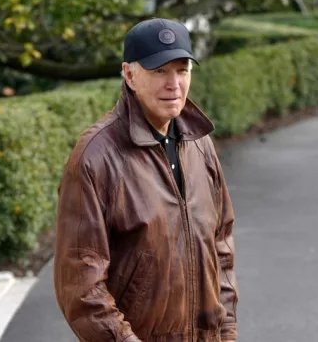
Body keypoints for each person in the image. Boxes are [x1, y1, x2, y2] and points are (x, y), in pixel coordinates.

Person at [53, 17, 239, 342]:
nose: (174, 84)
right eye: (159, 71)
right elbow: (80, 282)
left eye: (182, 70)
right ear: (129, 74)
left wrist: (226, 331)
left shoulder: (200, 144)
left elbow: (221, 247)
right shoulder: (96, 157)